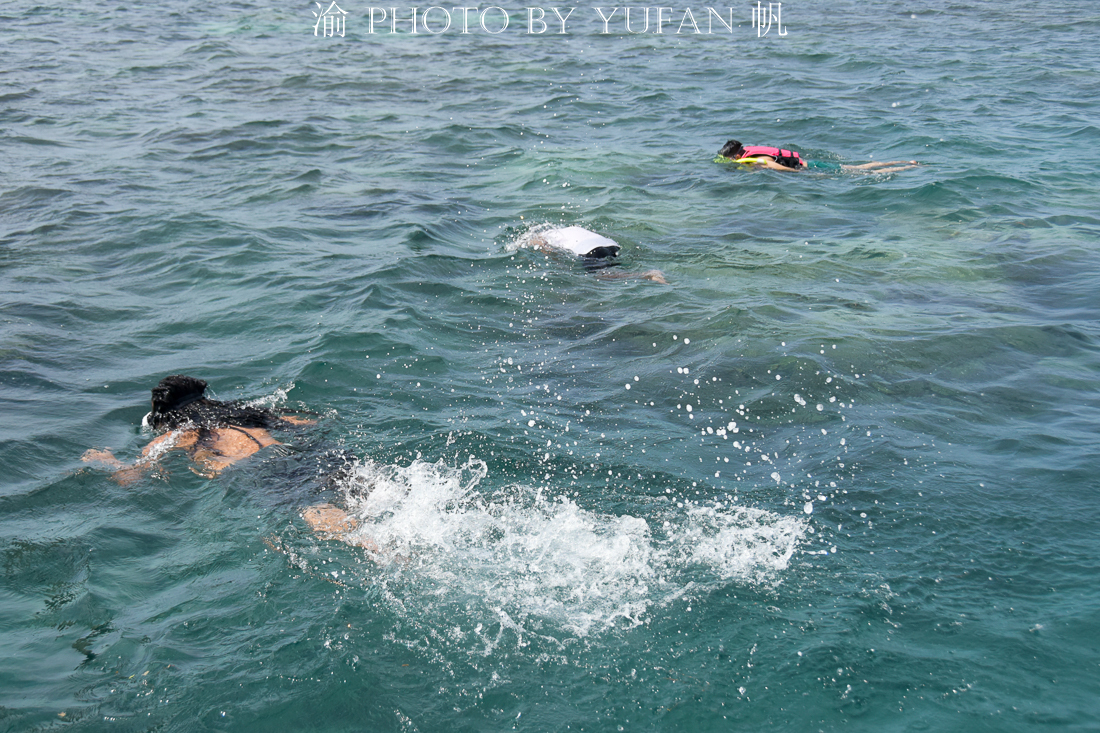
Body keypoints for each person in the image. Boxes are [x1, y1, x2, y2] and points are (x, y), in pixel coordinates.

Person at [82, 374, 313, 482]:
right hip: (298, 456)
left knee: (322, 516)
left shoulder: (182, 433)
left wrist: (106, 460)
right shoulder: (247, 413)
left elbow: (131, 477)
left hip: (258, 472)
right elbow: (307, 423)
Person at [526, 225, 668, 283]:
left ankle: (645, 275)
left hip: (589, 250)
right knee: (610, 267)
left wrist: (560, 266)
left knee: (601, 277)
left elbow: (543, 246)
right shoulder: (571, 229)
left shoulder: (545, 236)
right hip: (611, 246)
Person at [716, 140, 919, 174]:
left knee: (860, 171)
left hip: (811, 166)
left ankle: (908, 167)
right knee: (860, 167)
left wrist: (800, 174)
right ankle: (905, 162)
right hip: (811, 163)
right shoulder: (751, 151)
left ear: (736, 155)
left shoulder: (758, 159)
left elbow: (775, 167)